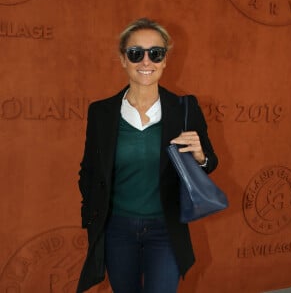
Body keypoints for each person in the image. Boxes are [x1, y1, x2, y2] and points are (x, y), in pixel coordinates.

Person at [76, 17, 218, 293]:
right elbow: (89, 170)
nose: (146, 61)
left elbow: (210, 162)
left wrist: (201, 156)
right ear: (123, 59)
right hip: (117, 229)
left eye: (155, 53)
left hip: (165, 229)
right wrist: (93, 213)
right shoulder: (101, 113)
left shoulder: (185, 108)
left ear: (165, 60)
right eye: (135, 53)